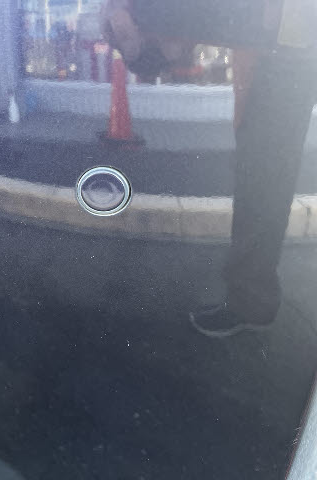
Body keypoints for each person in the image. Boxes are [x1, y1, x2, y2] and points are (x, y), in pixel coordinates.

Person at [103, 0, 317, 337]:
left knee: (263, 178)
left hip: (286, 44)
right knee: (263, 176)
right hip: (281, 43)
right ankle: (253, 298)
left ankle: (253, 299)